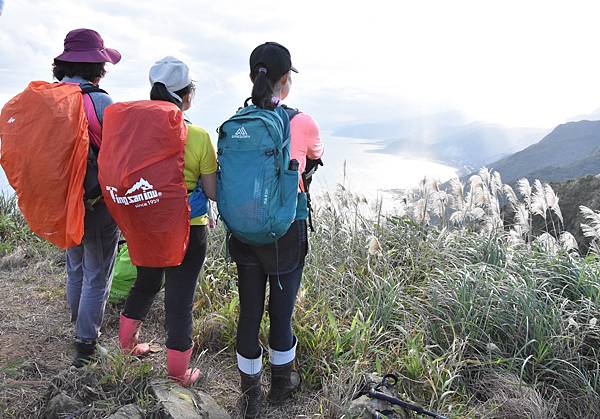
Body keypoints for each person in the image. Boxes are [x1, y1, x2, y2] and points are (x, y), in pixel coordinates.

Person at [229, 42, 324, 418]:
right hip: (284, 230)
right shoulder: (301, 121)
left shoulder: (238, 121)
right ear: (286, 80)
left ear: (254, 76)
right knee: (280, 314)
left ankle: (250, 397)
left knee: (249, 313)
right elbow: (314, 156)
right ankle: (281, 389)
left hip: (244, 230)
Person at [117, 57, 217, 386]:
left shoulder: (134, 135)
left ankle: (127, 345)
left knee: (146, 282)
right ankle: (178, 374)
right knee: (180, 295)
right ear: (186, 97)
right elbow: (212, 192)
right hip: (189, 228)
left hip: (147, 221)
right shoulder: (199, 136)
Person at [53, 28, 122, 367]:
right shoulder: (100, 102)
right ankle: (86, 345)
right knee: (97, 271)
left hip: (62, 199)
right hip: (95, 202)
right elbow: (118, 158)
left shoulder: (49, 99)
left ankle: (77, 325)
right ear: (98, 66)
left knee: (76, 264)